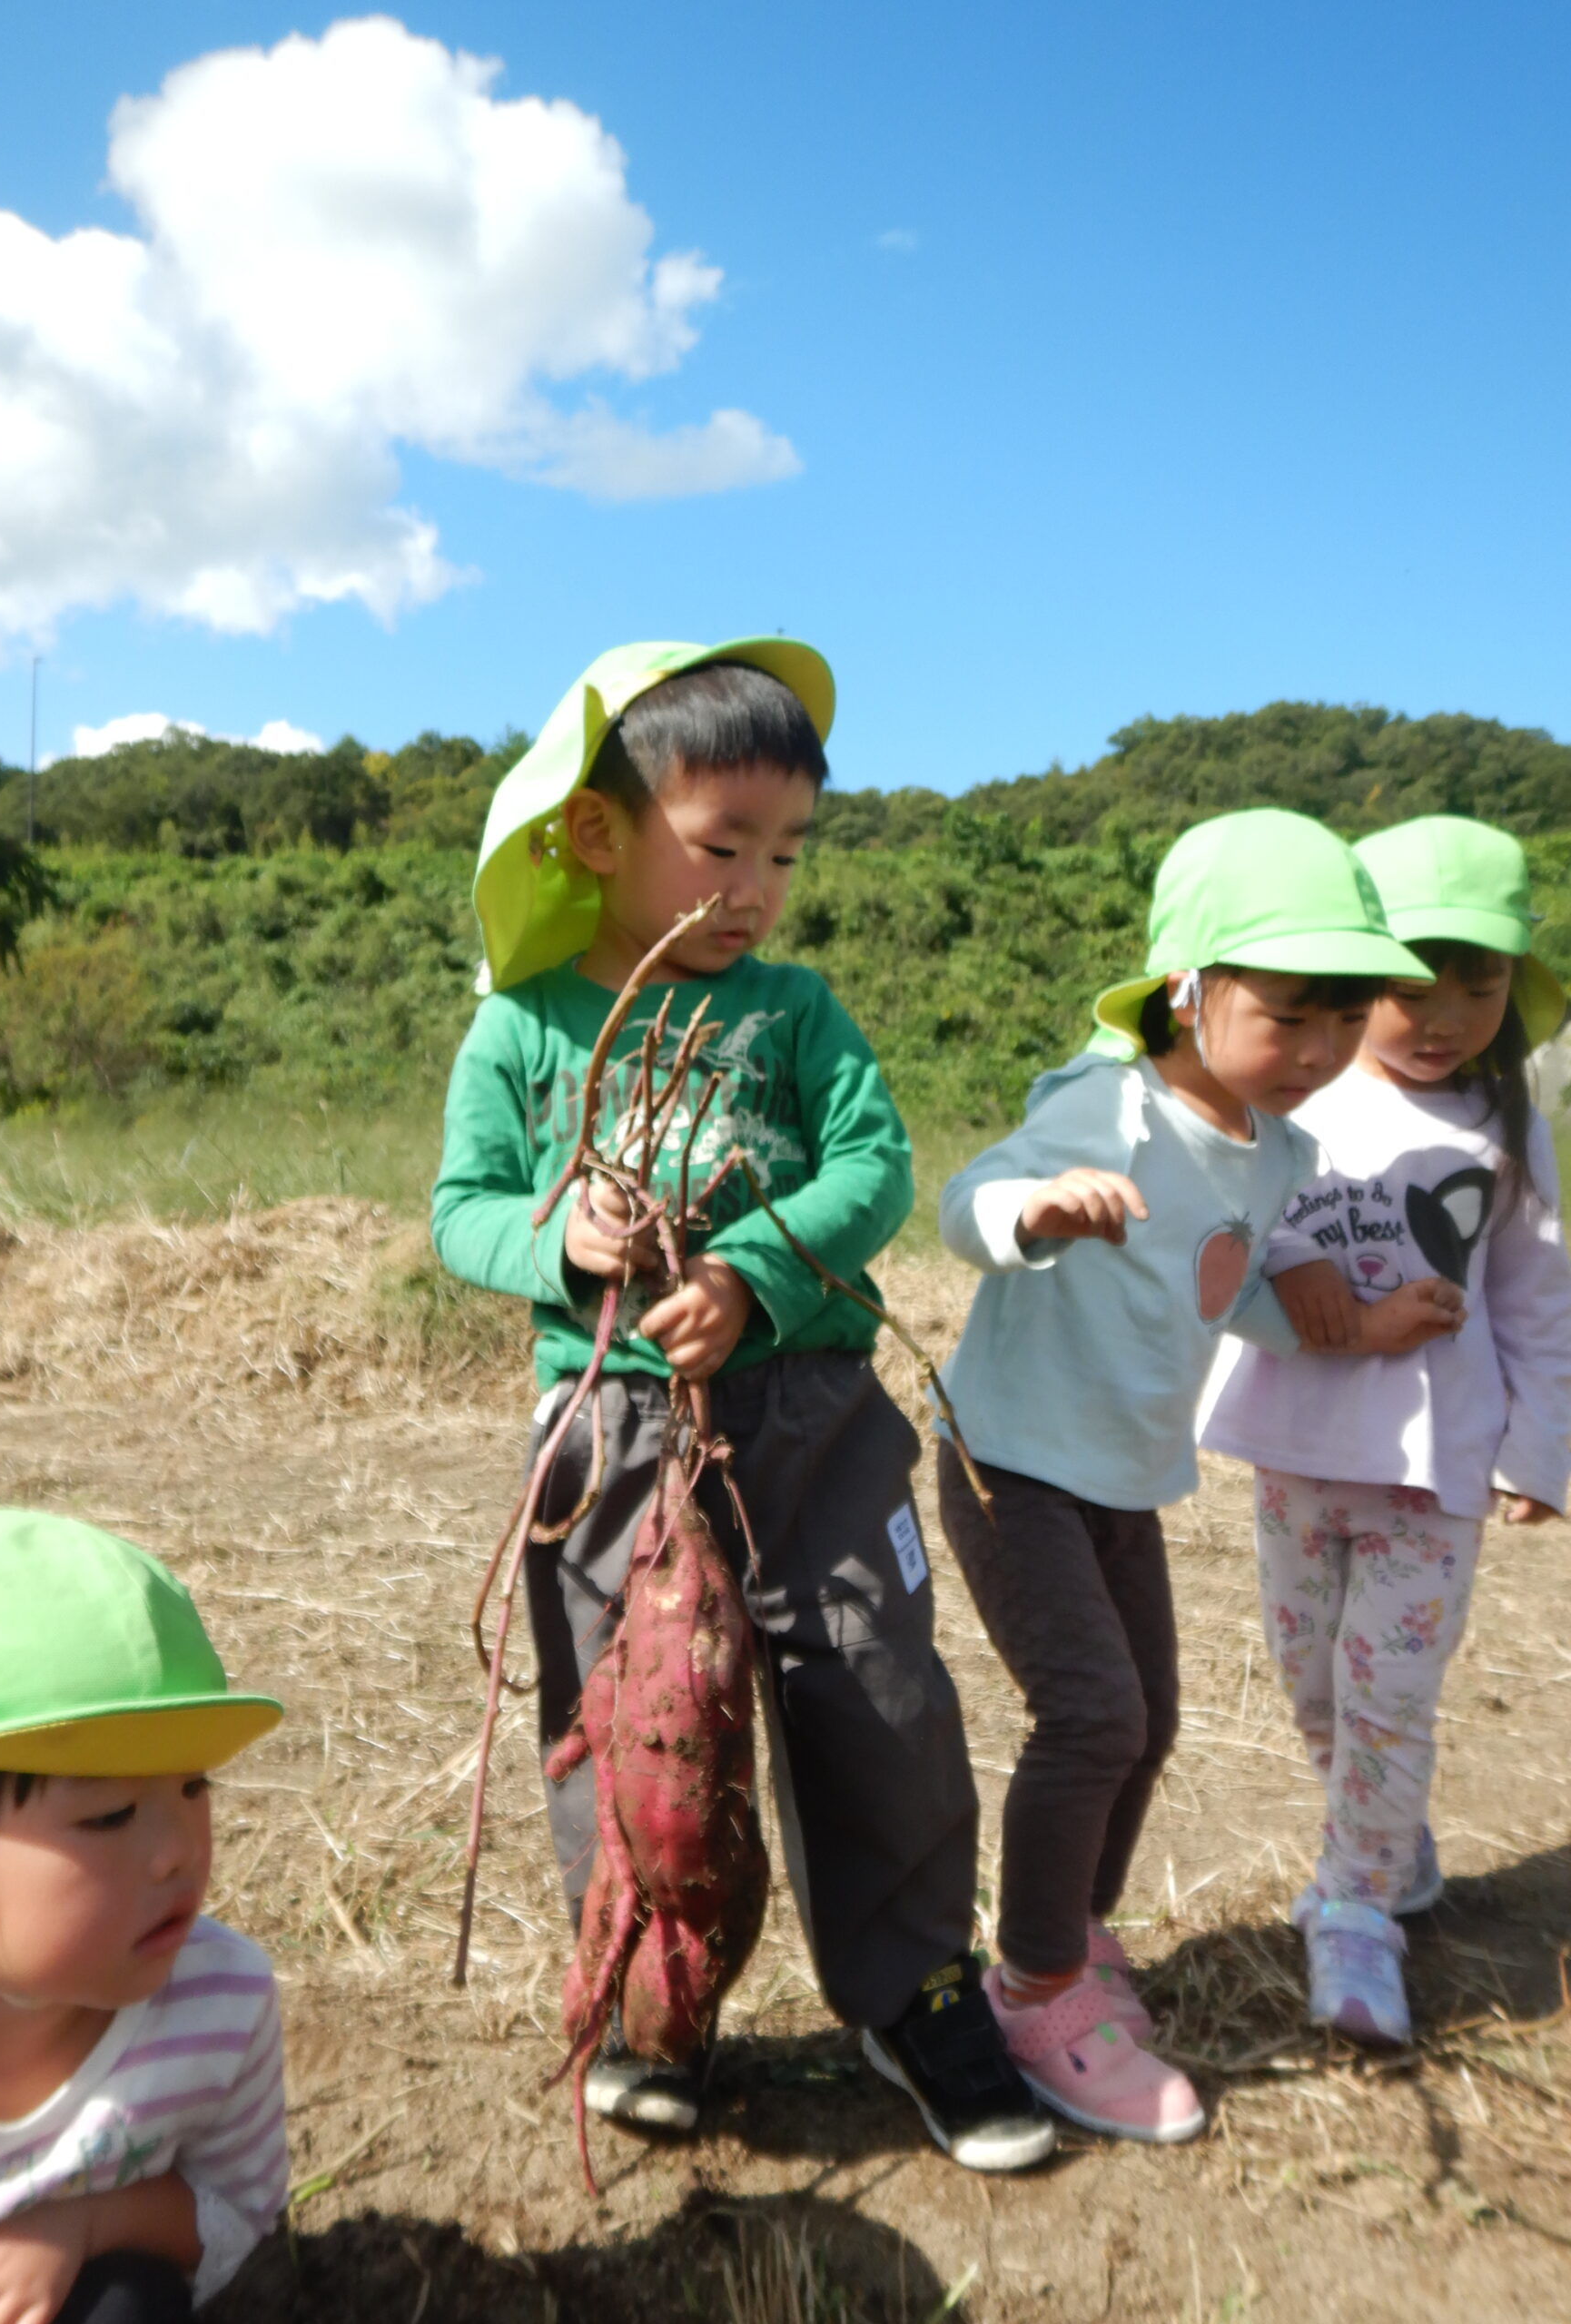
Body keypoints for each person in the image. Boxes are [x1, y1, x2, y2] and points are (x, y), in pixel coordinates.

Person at [434, 637, 1055, 2171]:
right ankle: (659, 2007)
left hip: (813, 1416)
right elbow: (460, 1211)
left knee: (880, 1695)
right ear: (602, 833)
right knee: (643, 1730)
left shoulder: (795, 1014)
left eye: (785, 853)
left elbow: (876, 1171)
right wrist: (552, 1230)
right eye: (723, 847)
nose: (758, 885)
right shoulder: (524, 1029)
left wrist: (759, 1272)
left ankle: (913, 1994)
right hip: (610, 1441)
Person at [932, 808, 1458, 2144]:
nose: (1324, 1051)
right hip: (1009, 1460)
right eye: (1291, 1018)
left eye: (1346, 1021)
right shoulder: (1103, 1102)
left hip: (1120, 1475)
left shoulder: (1279, 1155)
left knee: (1151, 1720)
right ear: (1189, 990)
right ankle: (1035, 1988)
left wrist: (1358, 1319)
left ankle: (1077, 1930)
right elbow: (963, 1203)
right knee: (1094, 1717)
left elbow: (1230, 1295)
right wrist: (1034, 1213)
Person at [1200, 815, 1571, 2045]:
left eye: (1484, 982)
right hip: (1298, 1455)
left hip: (1432, 1468)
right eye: (1415, 980)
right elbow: (1224, 1220)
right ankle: (1393, 1852)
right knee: (1313, 1688)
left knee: (1386, 1697)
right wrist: (1303, 1259)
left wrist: (1539, 1448)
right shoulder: (1296, 1092)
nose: (1448, 1012)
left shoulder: (1509, 1128)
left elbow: (1539, 1296)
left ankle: (1356, 1910)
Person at [0, 1508, 289, 2324]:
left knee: (125, 2301)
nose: (176, 1852)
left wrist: (84, 2223)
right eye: (109, 1816)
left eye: (193, 1789)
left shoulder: (220, 2006)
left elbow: (238, 2213)